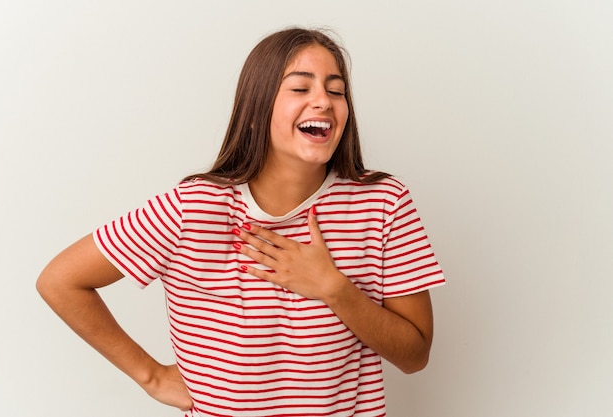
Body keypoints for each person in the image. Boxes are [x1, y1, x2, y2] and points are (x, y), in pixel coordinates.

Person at [37, 27, 446, 417]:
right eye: (301, 87)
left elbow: (415, 356)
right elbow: (61, 281)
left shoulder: (383, 203)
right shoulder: (193, 209)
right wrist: (152, 376)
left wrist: (333, 289)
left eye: (335, 90)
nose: (323, 100)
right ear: (256, 110)